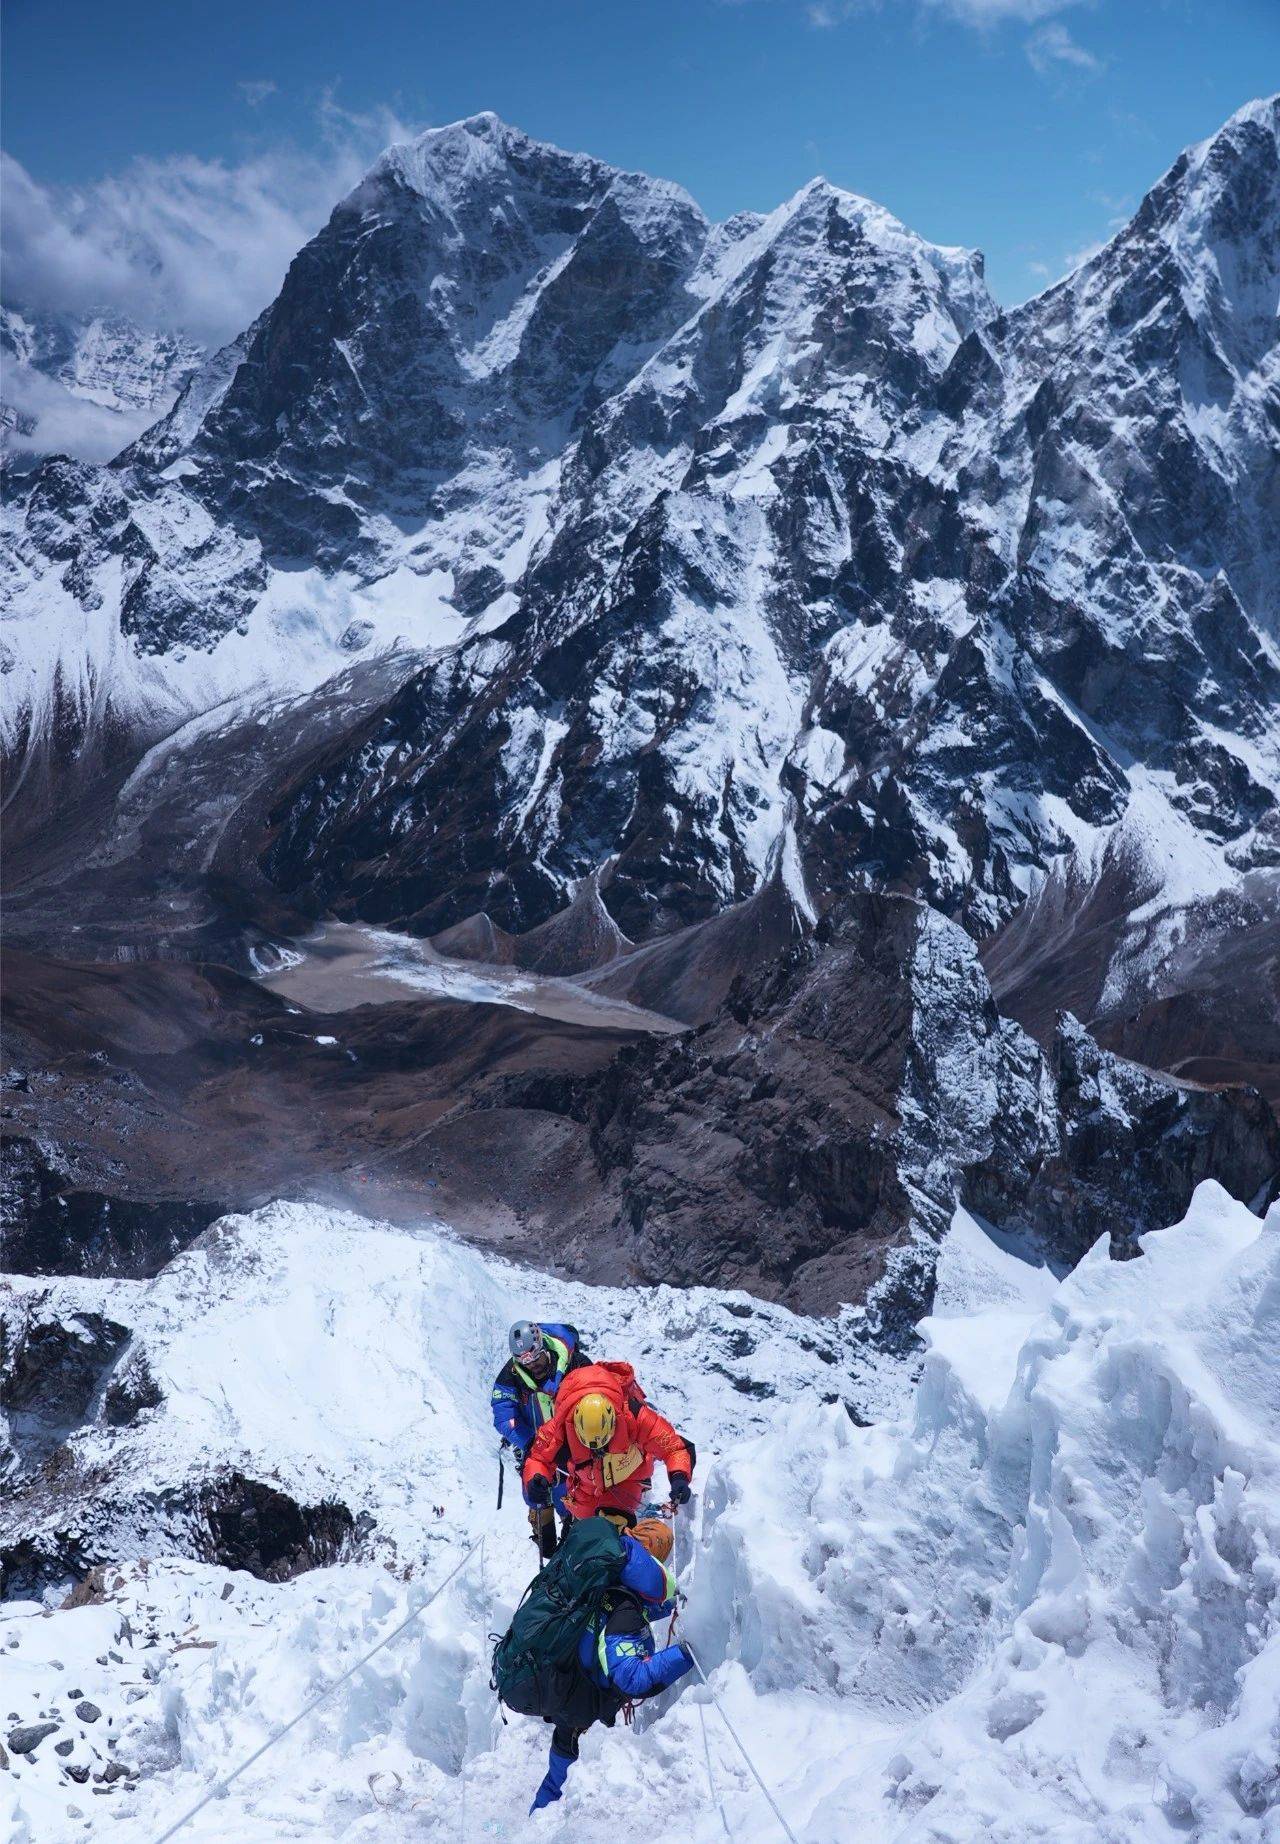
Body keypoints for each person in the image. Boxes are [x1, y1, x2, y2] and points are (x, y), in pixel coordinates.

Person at [529, 1517, 693, 1812]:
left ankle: (541, 1809)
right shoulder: (624, 1609)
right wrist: (687, 1654)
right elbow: (632, 1679)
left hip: (565, 1679)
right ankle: (543, 1817)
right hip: (579, 1699)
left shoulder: (602, 1582)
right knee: (563, 1773)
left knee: (558, 1766)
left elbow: (621, 1616)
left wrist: (671, 1605)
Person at [522, 1358, 693, 1526]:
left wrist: (679, 1477)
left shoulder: (633, 1416)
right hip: (585, 1493)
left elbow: (673, 1447)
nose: (598, 1451)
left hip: (626, 1482)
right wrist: (535, 1480)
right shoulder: (559, 1428)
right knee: (584, 1540)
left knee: (611, 1536)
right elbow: (537, 1459)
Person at [491, 1320, 589, 1557]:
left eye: (536, 1358)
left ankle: (573, 1528)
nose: (533, 1365)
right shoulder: (511, 1375)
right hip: (537, 1444)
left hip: (574, 1444)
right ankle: (545, 1543)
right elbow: (504, 1415)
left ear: (543, 1346)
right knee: (534, 1490)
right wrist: (530, 1441)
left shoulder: (575, 1362)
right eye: (525, 1362)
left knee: (573, 1493)